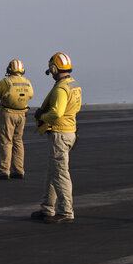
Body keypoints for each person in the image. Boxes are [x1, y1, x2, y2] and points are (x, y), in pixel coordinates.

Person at [31, 52, 82, 224]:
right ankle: (47, 207)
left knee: (60, 173)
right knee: (53, 171)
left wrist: (42, 116)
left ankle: (66, 212)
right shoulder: (74, 85)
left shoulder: (61, 88)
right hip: (70, 132)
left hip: (60, 134)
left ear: (54, 68)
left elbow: (57, 112)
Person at [0, 59, 33, 180]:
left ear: (9, 69)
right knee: (18, 141)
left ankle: (5, 171)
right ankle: (19, 170)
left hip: (8, 114)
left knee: (6, 141)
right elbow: (31, 95)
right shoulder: (27, 82)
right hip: (22, 115)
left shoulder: (6, 81)